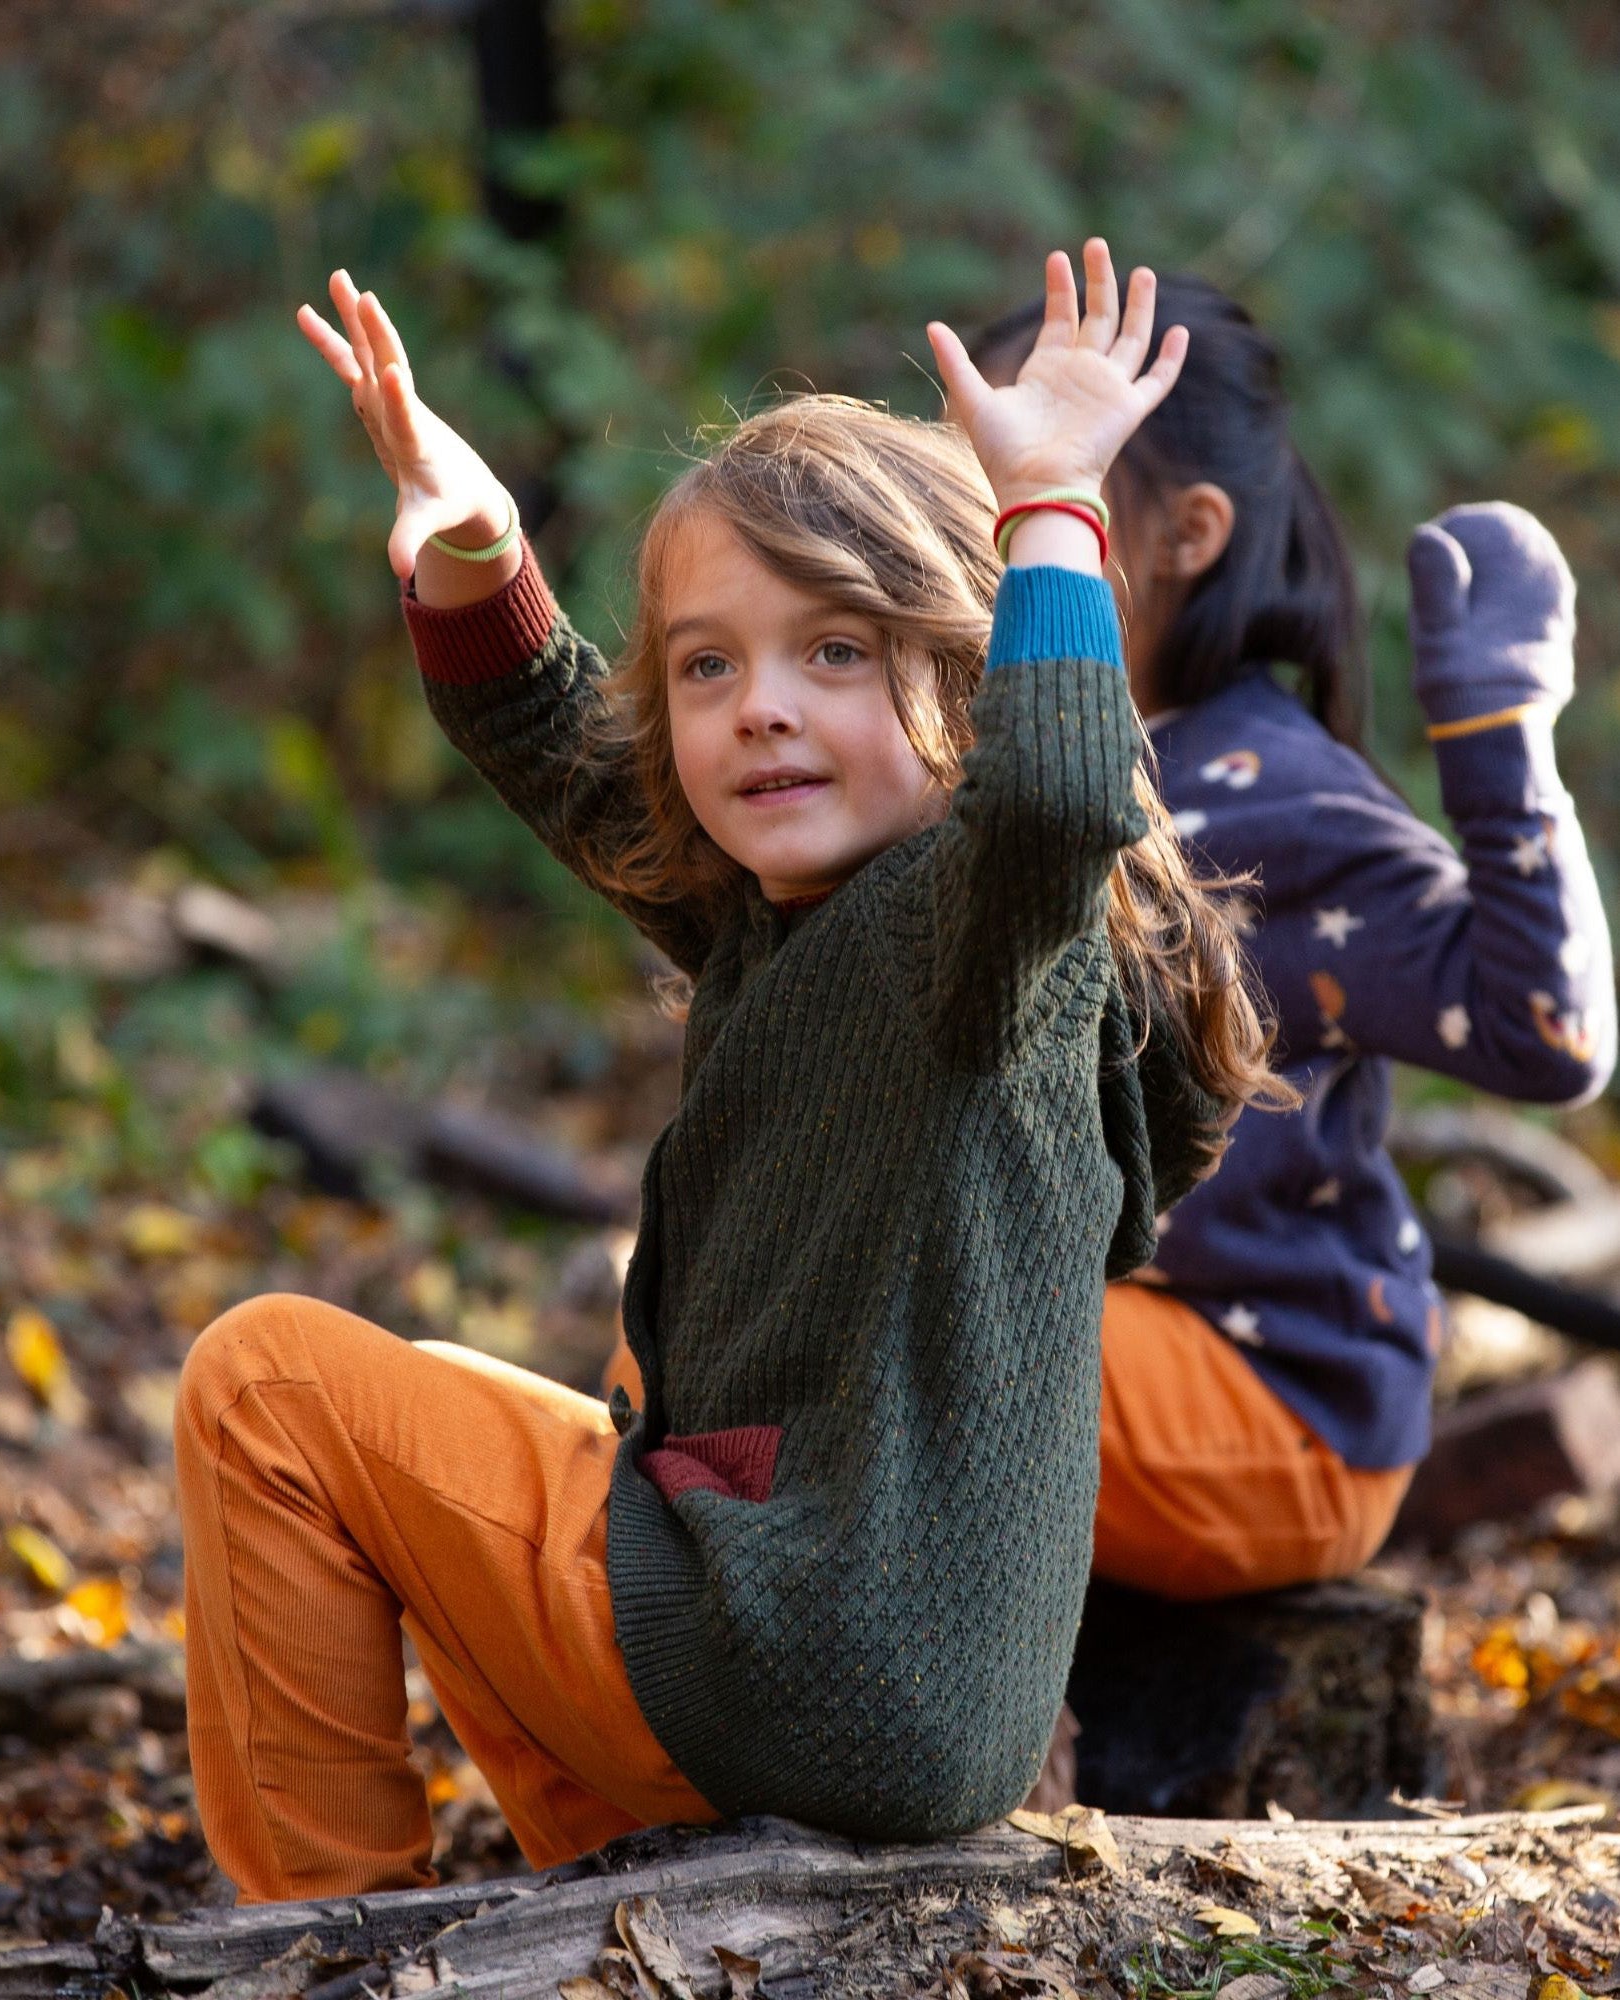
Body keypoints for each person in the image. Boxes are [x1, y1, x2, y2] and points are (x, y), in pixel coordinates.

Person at [174, 243, 1285, 1901]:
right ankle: (628, 1878)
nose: (757, 709)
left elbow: (1057, 805)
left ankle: (321, 1937)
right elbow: (579, 776)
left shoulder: (965, 947)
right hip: (853, 1676)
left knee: (269, 1385)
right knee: (505, 1429)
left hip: (814, 1659)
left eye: (833, 652)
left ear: (964, 682)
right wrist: (481, 552)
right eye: (706, 664)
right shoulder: (807, 923)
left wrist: (1052, 510)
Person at [966, 274, 1616, 1611]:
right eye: (966, 466)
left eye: (1042, 475)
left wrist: (1496, 753)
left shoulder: (1263, 801)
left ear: (1184, 533)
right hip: (1075, 1346)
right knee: (687, 1357)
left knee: (876, 1355)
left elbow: (1543, 1035)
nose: (977, 516)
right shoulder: (988, 768)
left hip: (1273, 1401)